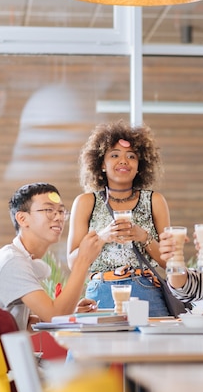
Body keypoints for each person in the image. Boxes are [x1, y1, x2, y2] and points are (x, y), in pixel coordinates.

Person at [67, 120, 172, 317]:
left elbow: (171, 262)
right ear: (102, 164)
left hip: (147, 293)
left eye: (131, 156)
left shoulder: (155, 201)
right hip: (101, 294)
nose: (123, 161)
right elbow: (73, 263)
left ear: (140, 166)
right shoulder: (85, 202)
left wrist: (144, 237)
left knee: (153, 348)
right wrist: (102, 237)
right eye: (114, 155)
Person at [0, 182, 104, 331]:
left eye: (61, 211)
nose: (58, 217)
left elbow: (26, 324)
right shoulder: (13, 261)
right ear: (22, 219)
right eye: (49, 210)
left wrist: (70, 311)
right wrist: (83, 260)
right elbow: (55, 315)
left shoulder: (19, 257)